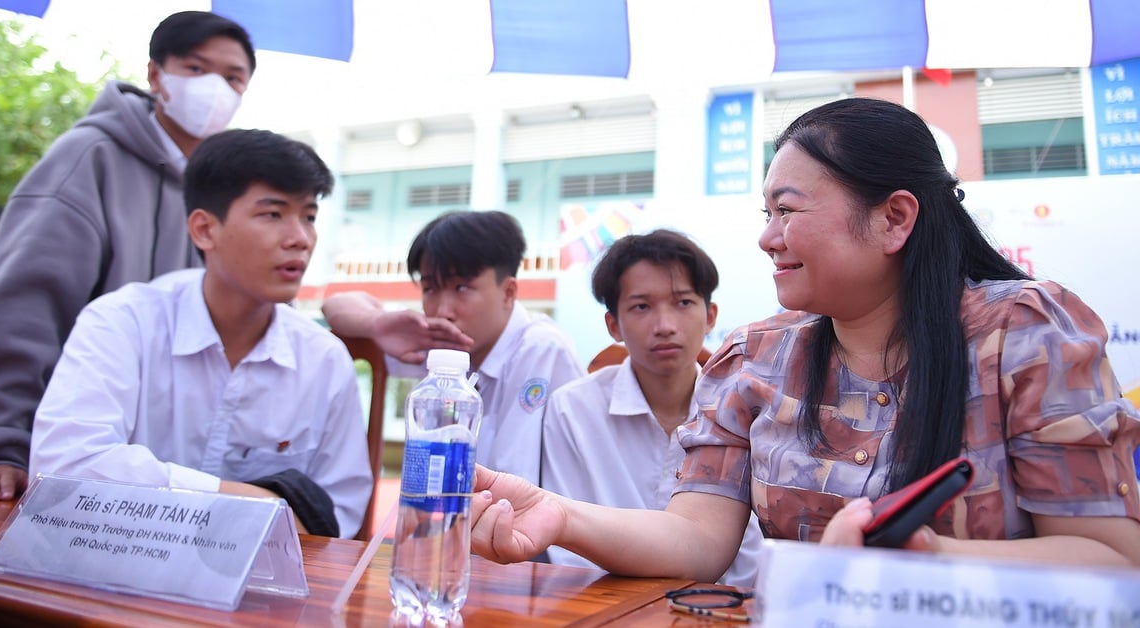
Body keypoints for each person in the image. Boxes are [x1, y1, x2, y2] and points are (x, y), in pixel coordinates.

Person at [468, 97, 1140, 579]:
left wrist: (928, 561)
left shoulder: (1025, 337)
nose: (767, 238)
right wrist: (559, 516)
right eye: (767, 213)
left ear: (894, 218)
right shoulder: (754, 361)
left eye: (786, 210)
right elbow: (695, 539)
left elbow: (1114, 560)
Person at [0, 11, 256, 500]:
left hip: (153, 472)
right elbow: (22, 308)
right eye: (197, 69)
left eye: (233, 77)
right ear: (156, 75)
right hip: (62, 455)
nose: (215, 87)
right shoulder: (88, 159)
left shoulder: (222, 190)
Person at [29, 129, 371, 538]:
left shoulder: (323, 359)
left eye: (309, 217)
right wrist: (254, 501)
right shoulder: (122, 322)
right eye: (273, 214)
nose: (300, 238)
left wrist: (179, 499)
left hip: (256, 590)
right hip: (110, 575)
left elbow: (335, 515)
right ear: (204, 229)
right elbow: (63, 469)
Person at [540, 229, 763, 586]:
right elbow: (566, 544)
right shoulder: (573, 409)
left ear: (710, 316)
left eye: (683, 303)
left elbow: (751, 550)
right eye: (641, 306)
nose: (665, 326)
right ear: (613, 325)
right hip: (603, 609)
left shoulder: (744, 410)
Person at [323, 210, 585, 486]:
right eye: (430, 289)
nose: (443, 311)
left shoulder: (540, 349)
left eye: (461, 288)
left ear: (508, 292)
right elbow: (335, 305)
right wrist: (377, 324)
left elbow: (513, 484)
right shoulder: (436, 344)